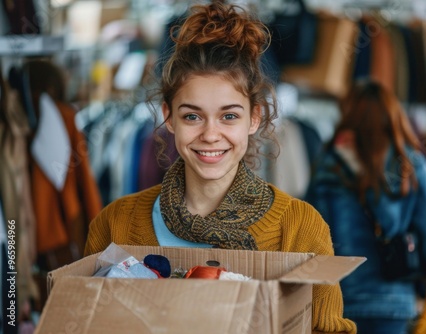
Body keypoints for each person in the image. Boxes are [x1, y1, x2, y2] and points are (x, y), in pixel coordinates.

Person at [84, 2, 356, 333]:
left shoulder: (301, 230)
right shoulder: (115, 226)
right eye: (192, 116)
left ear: (254, 118)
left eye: (229, 116)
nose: (211, 135)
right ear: (169, 118)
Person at [305, 80, 426, 334]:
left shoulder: (327, 164)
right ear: (393, 117)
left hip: (338, 302)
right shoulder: (410, 165)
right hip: (394, 303)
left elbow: (308, 233)